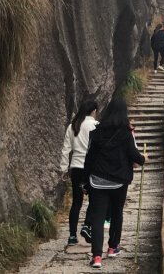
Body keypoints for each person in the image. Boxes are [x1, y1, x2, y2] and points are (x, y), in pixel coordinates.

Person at [83, 96, 145, 268]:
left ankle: (96, 257)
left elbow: (89, 158)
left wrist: (84, 182)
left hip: (97, 181)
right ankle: (112, 247)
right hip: (119, 181)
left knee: (98, 217)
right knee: (117, 213)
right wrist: (143, 159)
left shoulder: (97, 132)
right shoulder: (127, 132)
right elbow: (134, 155)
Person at [59, 98, 98, 246]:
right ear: (93, 111)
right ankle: (87, 226)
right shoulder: (95, 125)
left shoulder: (73, 126)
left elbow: (66, 149)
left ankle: (71, 236)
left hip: (75, 167)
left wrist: (63, 169)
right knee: (94, 200)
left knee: (76, 202)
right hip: (91, 169)